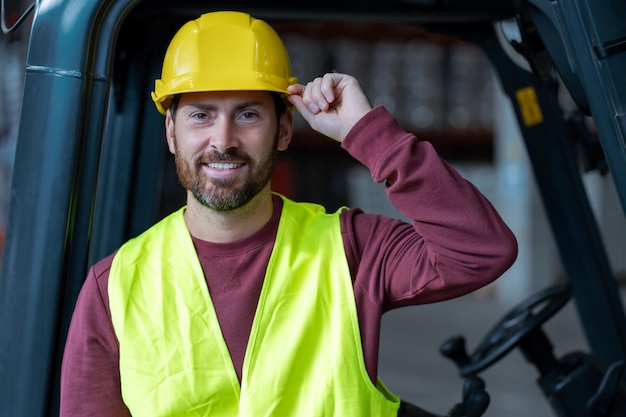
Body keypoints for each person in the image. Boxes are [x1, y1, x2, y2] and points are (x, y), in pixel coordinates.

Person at [60, 10, 517, 417]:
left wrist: (368, 133)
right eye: (200, 115)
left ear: (283, 130)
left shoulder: (349, 248)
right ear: (171, 132)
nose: (223, 140)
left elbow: (482, 250)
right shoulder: (115, 287)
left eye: (248, 115)